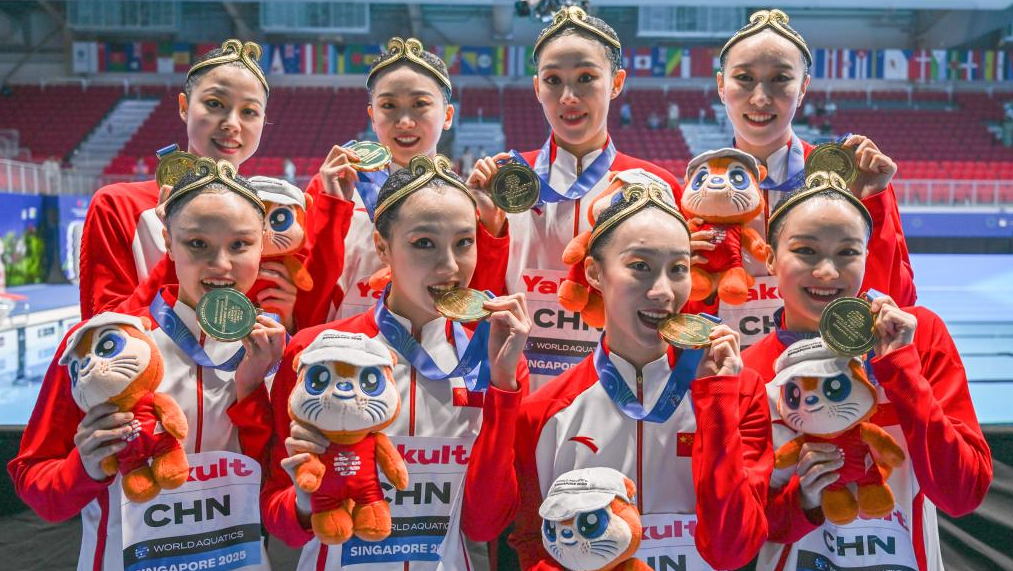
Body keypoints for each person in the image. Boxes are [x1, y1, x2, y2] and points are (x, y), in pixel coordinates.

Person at [465, 178, 772, 569]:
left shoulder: (738, 392)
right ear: (594, 273)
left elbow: (733, 551)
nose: (664, 291)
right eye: (640, 266)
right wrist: (502, 391)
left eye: (678, 268)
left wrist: (716, 402)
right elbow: (499, 530)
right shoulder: (544, 411)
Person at [9, 158, 285, 571]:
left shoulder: (275, 351)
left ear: (262, 242)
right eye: (197, 244)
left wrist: (250, 390)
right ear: (168, 242)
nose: (221, 264)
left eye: (240, 244)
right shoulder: (102, 343)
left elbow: (278, 493)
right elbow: (37, 486)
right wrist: (83, 468)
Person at [261, 154, 531, 570]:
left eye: (464, 242)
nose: (450, 266)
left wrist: (503, 387)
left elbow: (483, 525)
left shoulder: (492, 359)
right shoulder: (313, 350)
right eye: (424, 243)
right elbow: (281, 523)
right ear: (382, 246)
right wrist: (304, 499)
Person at [742, 173, 992, 571]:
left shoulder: (919, 336)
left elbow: (962, 494)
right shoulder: (752, 370)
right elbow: (746, 533)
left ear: (865, 254)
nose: (827, 271)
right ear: (770, 258)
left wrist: (901, 370)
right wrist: (802, 499)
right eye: (806, 251)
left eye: (847, 252)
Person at [467, 6, 683, 390]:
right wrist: (489, 229)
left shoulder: (657, 185)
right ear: (537, 88)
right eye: (553, 80)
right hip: (518, 383)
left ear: (616, 83)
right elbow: (476, 301)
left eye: (586, 78)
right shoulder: (505, 181)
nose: (568, 97)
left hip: (622, 389)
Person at [707, 9, 915, 346]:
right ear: (721, 85)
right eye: (744, 78)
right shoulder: (698, 190)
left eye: (780, 79)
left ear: (803, 87)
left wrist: (872, 201)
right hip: (730, 369)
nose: (760, 98)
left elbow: (898, 298)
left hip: (831, 369)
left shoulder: (852, 181)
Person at [79, 39, 270, 319]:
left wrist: (287, 315)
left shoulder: (271, 215)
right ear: (184, 106)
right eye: (214, 104)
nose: (232, 123)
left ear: (263, 120)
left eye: (249, 111)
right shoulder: (118, 206)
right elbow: (102, 331)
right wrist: (180, 246)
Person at [301, 37, 457, 321]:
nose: (405, 121)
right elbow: (308, 292)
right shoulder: (333, 186)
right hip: (338, 342)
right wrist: (333, 205)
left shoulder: (462, 200)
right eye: (389, 105)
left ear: (447, 116)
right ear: (372, 116)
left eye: (420, 104)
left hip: (429, 347)